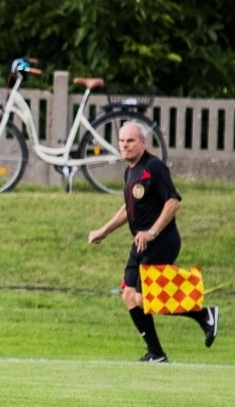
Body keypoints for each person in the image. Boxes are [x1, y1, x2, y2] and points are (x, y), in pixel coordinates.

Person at [88, 123, 219, 362]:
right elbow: (128, 208)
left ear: (143, 143)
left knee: (143, 298)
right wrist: (104, 230)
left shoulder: (153, 167)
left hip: (161, 241)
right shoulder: (130, 171)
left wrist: (152, 231)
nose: (125, 145)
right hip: (141, 243)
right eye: (121, 141)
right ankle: (156, 353)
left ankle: (204, 315)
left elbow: (173, 201)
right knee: (129, 296)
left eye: (130, 141)